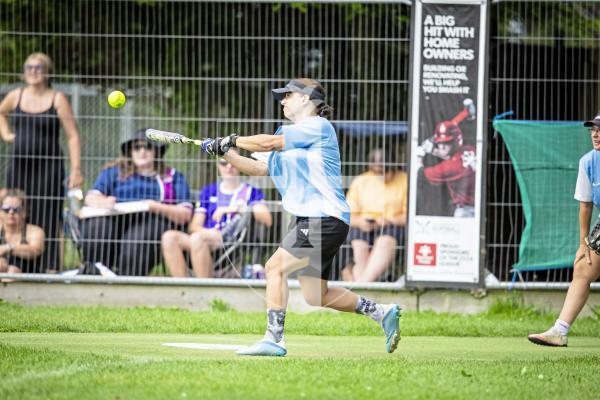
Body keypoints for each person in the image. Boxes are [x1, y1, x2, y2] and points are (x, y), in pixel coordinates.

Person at [199, 78, 401, 357]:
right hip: (313, 219)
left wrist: (230, 139)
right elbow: (258, 169)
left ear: (306, 99)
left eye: (288, 95)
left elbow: (268, 143)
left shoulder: (317, 127)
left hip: (323, 218)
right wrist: (227, 152)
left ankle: (274, 339)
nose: (282, 101)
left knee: (274, 268)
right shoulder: (288, 135)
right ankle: (382, 312)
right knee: (315, 295)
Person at [0, 52, 84, 272]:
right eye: (29, 67)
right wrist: (7, 135)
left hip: (49, 169)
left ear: (47, 72)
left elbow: (73, 135)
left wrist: (76, 170)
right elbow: (1, 113)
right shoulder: (15, 95)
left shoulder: (57, 98)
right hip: (19, 167)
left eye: (38, 67)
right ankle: (16, 262)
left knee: (48, 214)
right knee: (15, 212)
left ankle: (50, 268)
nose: (33, 71)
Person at [528, 114, 600, 347]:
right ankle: (559, 331)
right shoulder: (588, 162)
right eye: (593, 130)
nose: (595, 134)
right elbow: (586, 205)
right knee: (583, 267)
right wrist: (583, 243)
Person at [80, 128, 192, 276]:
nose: (142, 151)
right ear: (130, 151)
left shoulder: (171, 177)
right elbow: (91, 197)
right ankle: (95, 275)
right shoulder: (114, 172)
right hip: (115, 218)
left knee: (138, 238)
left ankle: (127, 282)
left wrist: (154, 206)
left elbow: (185, 214)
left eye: (148, 147)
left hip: (152, 220)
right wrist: (103, 202)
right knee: (98, 226)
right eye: (137, 147)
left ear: (157, 151)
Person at [161, 149, 272, 278]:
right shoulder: (209, 191)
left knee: (197, 239)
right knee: (169, 238)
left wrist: (233, 209)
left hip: (231, 242)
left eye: (233, 162)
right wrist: (209, 233)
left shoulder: (249, 191)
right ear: (218, 166)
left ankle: (205, 292)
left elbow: (267, 218)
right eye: (224, 163)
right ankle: (184, 290)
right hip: (207, 237)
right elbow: (194, 226)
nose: (229, 167)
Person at [342, 148, 407, 282]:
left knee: (385, 241)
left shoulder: (405, 180)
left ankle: (362, 285)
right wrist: (361, 222)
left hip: (392, 226)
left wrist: (388, 220)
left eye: (385, 171)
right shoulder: (362, 180)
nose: (381, 176)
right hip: (364, 226)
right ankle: (363, 286)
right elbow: (346, 214)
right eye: (377, 172)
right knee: (359, 245)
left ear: (393, 165)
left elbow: (409, 216)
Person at [415, 120, 476, 217]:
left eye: (447, 142)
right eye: (439, 142)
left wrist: (419, 155)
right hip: (475, 208)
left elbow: (421, 173)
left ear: (456, 141)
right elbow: (451, 157)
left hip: (466, 211)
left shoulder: (451, 167)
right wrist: (433, 150)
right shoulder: (469, 149)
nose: (442, 146)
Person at [0, 189, 45, 279]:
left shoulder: (35, 231)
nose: (11, 212)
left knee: (12, 271)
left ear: (24, 212)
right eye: (6, 209)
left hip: (29, 278)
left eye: (17, 209)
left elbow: (35, 250)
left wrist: (8, 248)